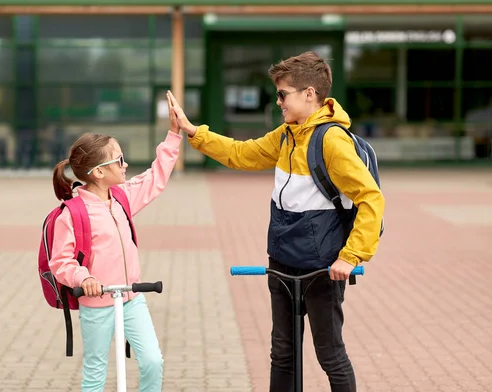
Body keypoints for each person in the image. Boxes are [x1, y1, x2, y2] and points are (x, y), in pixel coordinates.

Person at [166, 51, 385, 392]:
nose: (278, 101)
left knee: (329, 353)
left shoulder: (331, 141)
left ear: (309, 94)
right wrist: (194, 132)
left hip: (322, 266)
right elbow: (241, 153)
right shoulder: (287, 134)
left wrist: (350, 256)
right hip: (282, 259)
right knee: (282, 353)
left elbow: (371, 198)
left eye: (283, 94)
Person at [49, 93, 182, 392]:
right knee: (96, 371)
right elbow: (61, 261)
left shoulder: (121, 198)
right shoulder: (72, 214)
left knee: (152, 361)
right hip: (96, 303)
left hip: (132, 299)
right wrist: (85, 278)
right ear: (98, 172)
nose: (126, 165)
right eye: (119, 160)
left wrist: (174, 135)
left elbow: (155, 178)